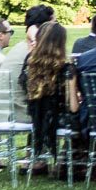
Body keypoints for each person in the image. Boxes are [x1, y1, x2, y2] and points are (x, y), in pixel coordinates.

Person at [21, 22, 75, 174]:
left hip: (36, 115)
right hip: (59, 117)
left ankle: (40, 159)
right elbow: (72, 106)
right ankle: (66, 161)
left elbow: (25, 89)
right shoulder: (66, 67)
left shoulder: (30, 63)